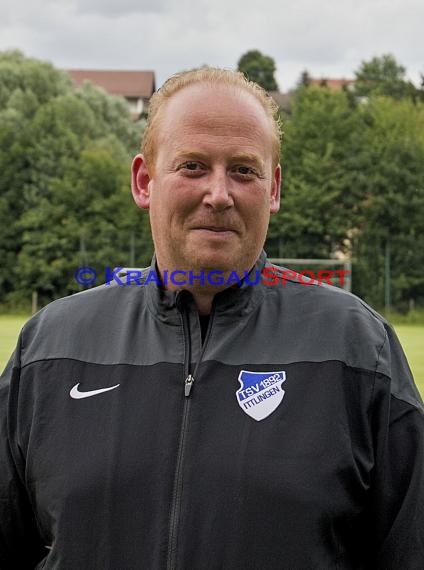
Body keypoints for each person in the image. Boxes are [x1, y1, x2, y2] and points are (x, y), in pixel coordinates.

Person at [0, 67, 423, 569]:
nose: (219, 193)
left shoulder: (358, 349)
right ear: (144, 181)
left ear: (274, 189)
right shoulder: (50, 348)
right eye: (193, 166)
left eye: (244, 170)